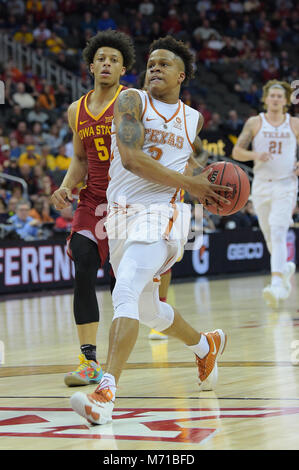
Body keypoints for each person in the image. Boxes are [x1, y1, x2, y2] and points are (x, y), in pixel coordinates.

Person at [70, 36, 231, 425]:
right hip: (120, 214)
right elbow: (131, 158)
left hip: (166, 213)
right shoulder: (132, 102)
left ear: (182, 75)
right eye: (151, 64)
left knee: (123, 289)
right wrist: (194, 182)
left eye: (164, 64)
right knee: (145, 307)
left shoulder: (194, 119)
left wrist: (210, 187)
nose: (154, 69)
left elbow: (186, 161)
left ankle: (106, 393)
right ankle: (203, 345)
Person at [50, 30, 135, 387]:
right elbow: (80, 159)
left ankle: (198, 343)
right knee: (82, 261)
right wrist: (66, 186)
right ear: (90, 66)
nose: (107, 63)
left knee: (130, 286)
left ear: (123, 69)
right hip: (93, 200)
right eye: (101, 58)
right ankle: (89, 361)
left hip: (129, 200)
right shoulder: (76, 109)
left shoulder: (132, 102)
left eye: (114, 59)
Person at [232, 80, 299, 308]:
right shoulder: (255, 122)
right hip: (261, 185)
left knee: (279, 230)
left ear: (286, 100)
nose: (276, 99)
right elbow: (237, 151)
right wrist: (255, 155)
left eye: (281, 96)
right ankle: (285, 267)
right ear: (266, 98)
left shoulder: (294, 123)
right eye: (273, 95)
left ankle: (277, 284)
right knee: (270, 234)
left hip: (286, 184)